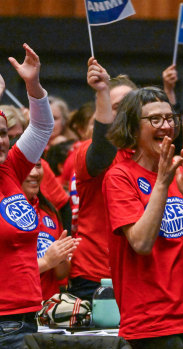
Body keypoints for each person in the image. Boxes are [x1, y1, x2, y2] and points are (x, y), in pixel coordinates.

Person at [103, 86, 183, 347]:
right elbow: (141, 243)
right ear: (132, 128)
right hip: (148, 322)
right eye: (155, 119)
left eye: (169, 118)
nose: (165, 126)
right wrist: (162, 183)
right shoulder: (120, 177)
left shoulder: (180, 172)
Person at [67, 59, 136, 301]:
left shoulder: (153, 156)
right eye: (117, 106)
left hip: (140, 274)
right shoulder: (89, 151)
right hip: (95, 278)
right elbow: (104, 150)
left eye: (132, 105)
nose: (127, 112)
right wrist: (103, 93)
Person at [0, 43, 54, 349]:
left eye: (3, 133)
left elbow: (43, 125)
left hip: (26, 314)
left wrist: (32, 84)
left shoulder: (9, 169)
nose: (1, 141)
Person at [22, 159, 79, 300]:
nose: (34, 172)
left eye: (38, 165)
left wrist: (61, 256)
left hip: (48, 308)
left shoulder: (50, 212)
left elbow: (60, 274)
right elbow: (8, 272)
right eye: (27, 166)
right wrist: (47, 261)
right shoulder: (5, 213)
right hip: (15, 312)